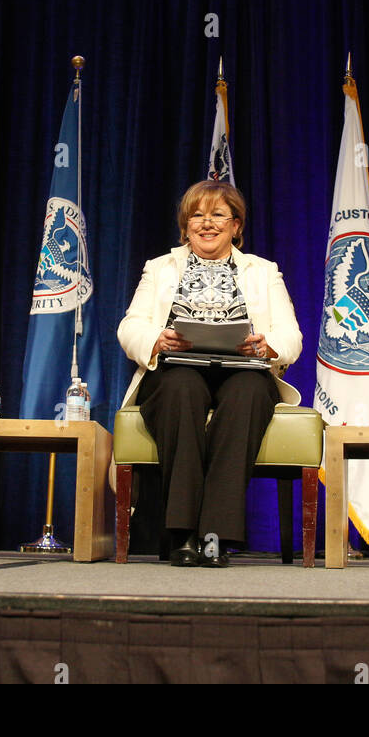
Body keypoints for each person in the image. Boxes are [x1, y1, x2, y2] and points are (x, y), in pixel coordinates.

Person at [117, 180, 303, 566]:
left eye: (217, 215)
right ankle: (183, 536)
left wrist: (267, 346)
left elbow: (291, 335)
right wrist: (157, 339)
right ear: (185, 226)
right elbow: (130, 326)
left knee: (249, 392)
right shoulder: (160, 268)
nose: (206, 224)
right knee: (181, 388)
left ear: (236, 226)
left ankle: (216, 536)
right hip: (176, 369)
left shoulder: (263, 271)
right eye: (196, 216)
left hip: (243, 370)